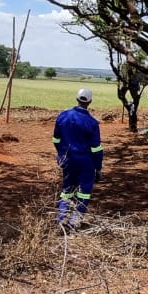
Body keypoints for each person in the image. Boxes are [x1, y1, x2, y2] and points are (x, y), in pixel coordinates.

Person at [52, 88, 104, 228]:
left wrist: (62, 155)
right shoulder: (92, 123)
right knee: (84, 192)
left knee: (67, 190)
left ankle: (61, 218)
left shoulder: (62, 116)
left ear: (77, 99)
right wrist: (98, 168)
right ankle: (75, 221)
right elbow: (96, 148)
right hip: (85, 163)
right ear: (90, 101)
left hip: (68, 161)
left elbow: (56, 140)